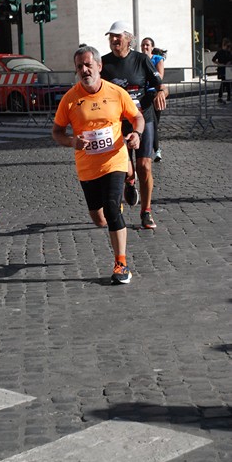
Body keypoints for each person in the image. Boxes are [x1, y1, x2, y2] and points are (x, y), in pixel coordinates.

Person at [52, 44, 145, 284]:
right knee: (99, 218)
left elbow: (137, 117)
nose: (84, 70)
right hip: (87, 167)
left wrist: (136, 133)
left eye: (88, 64)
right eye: (79, 66)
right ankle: (120, 197)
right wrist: (72, 141)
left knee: (112, 209)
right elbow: (57, 132)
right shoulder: (70, 100)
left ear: (99, 66)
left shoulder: (116, 92)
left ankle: (121, 264)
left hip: (115, 159)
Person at [101, 21, 167, 230]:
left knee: (144, 166)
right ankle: (130, 182)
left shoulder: (141, 60)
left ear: (128, 39)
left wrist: (160, 93)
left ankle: (146, 211)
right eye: (111, 37)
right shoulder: (104, 63)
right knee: (124, 170)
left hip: (143, 117)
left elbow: (162, 86)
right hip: (118, 122)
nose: (113, 40)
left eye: (117, 36)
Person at [140, 37, 166, 162]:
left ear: (152, 47)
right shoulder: (139, 59)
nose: (145, 47)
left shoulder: (157, 59)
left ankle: (156, 149)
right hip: (142, 96)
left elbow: (159, 78)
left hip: (154, 95)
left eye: (147, 45)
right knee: (149, 124)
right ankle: (155, 150)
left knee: (154, 124)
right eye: (143, 45)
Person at [212, 38, 232, 104]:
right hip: (222, 69)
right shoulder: (220, 52)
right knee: (223, 83)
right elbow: (213, 59)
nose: (228, 48)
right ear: (224, 45)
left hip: (228, 69)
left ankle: (229, 96)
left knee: (228, 82)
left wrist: (230, 62)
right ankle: (220, 97)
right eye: (227, 46)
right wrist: (220, 64)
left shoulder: (229, 52)